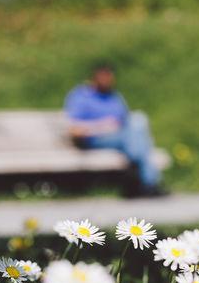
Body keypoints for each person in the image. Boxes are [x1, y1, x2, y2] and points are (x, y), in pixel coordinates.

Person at [63, 63, 166, 197]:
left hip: (121, 137)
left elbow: (126, 120)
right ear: (94, 77)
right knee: (137, 137)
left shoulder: (115, 97)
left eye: (109, 77)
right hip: (94, 139)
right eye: (103, 76)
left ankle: (138, 172)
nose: (107, 80)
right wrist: (101, 126)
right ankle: (148, 183)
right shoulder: (81, 96)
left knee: (139, 121)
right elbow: (74, 129)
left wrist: (117, 126)